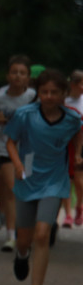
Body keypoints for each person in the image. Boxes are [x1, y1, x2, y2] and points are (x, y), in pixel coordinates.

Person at [6, 69, 83, 285]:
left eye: (54, 92)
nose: (49, 96)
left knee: (42, 234)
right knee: (25, 238)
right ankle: (21, 254)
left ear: (64, 94)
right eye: (44, 92)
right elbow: (10, 141)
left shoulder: (72, 119)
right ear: (38, 93)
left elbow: (79, 133)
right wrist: (18, 164)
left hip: (55, 180)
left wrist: (78, 154)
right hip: (28, 176)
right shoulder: (25, 115)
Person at [0, 55, 35, 250]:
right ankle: (11, 236)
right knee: (13, 190)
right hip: (6, 149)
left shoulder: (33, 97)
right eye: (14, 72)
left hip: (29, 151)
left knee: (26, 191)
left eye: (22, 73)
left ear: (28, 77)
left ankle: (26, 232)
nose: (18, 76)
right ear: (7, 75)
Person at [59, 69, 83, 227]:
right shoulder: (63, 101)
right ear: (73, 84)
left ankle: (79, 207)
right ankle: (67, 214)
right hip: (65, 144)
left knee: (79, 180)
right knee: (65, 180)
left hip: (81, 143)